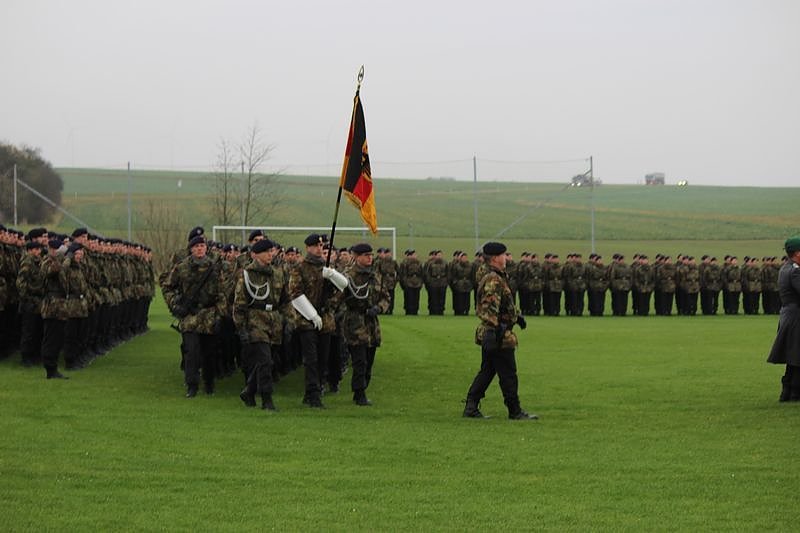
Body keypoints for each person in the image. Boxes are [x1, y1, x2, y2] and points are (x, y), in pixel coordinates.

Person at [462, 242, 537, 420]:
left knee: (487, 371)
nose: (506, 258)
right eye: (504, 255)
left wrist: (516, 317)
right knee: (508, 373)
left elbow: (503, 302)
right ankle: (514, 410)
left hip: (494, 331)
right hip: (497, 334)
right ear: (495, 258)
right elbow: (489, 307)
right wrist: (498, 328)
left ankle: (471, 406)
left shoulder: (494, 275)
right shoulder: (493, 279)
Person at [162, 235, 226, 397]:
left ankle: (209, 382)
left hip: (209, 314)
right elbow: (167, 287)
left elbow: (222, 293)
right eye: (196, 246)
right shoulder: (181, 268)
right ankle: (192, 385)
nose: (199, 249)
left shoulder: (214, 268)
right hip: (190, 315)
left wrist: (220, 315)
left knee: (210, 351)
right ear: (191, 249)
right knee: (191, 351)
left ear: (206, 248)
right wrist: (175, 304)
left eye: (202, 246)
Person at [233, 239, 288, 410]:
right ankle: (267, 398)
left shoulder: (278, 274)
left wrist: (290, 321)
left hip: (274, 321)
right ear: (255, 254)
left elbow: (286, 300)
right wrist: (241, 328)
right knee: (265, 361)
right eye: (266, 252)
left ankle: (249, 391)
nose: (270, 254)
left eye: (271, 251)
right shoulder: (247, 275)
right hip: (255, 320)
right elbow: (239, 304)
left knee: (267, 361)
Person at [341, 243, 388, 405]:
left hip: (371, 324)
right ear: (356, 256)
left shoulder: (375, 275)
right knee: (359, 361)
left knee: (369, 361)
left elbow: (385, 296)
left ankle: (362, 388)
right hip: (355, 322)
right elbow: (337, 298)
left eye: (371, 255)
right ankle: (359, 393)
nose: (370, 258)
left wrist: (379, 307)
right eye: (366, 255)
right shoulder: (348, 276)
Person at [767, 237, 800, 401]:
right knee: (796, 355)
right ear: (798, 253)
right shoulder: (795, 271)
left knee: (793, 356)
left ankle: (787, 392)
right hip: (796, 316)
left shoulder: (785, 268)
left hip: (789, 314)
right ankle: (794, 392)